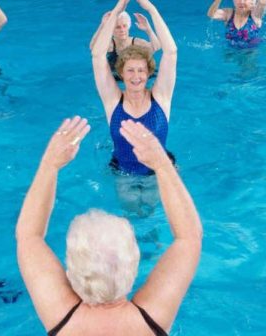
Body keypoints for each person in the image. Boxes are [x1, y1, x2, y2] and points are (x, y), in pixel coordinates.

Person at [16, 117, 202, 335]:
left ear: (70, 272)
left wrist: (50, 164)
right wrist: (162, 165)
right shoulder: (152, 319)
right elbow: (189, 237)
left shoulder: (62, 319)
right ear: (134, 269)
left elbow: (29, 235)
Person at [92, 0, 177, 214]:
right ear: (121, 73)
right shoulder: (113, 102)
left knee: (152, 217)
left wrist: (151, 9)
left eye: (141, 71)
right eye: (130, 71)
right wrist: (118, 10)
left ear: (149, 73)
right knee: (131, 215)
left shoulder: (161, 98)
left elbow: (171, 52)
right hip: (123, 174)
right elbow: (97, 55)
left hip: (158, 171)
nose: (136, 77)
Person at [89, 10, 161, 76]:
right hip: (115, 78)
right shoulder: (110, 45)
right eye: (118, 27)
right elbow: (93, 48)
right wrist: (103, 25)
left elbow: (156, 47)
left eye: (124, 26)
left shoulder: (136, 43)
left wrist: (148, 29)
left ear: (128, 26)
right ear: (111, 30)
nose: (122, 30)